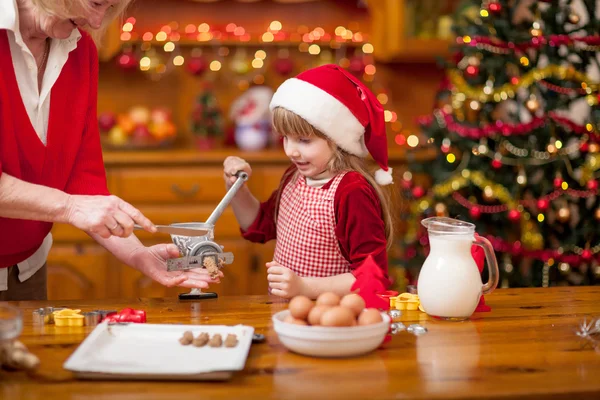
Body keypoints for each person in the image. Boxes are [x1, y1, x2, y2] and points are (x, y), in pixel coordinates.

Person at [0, 0, 220, 301]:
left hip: (27, 268)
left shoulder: (80, 51)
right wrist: (69, 207)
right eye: (96, 3)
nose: (96, 21)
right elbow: (77, 204)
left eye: (111, 8)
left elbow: (84, 179)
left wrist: (139, 256)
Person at [223, 64, 395, 299]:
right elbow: (259, 226)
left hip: (331, 321)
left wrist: (305, 288)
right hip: (285, 316)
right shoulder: (295, 177)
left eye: (304, 140)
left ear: (337, 140)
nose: (291, 151)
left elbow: (372, 276)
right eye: (285, 138)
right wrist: (236, 189)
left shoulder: (351, 191)